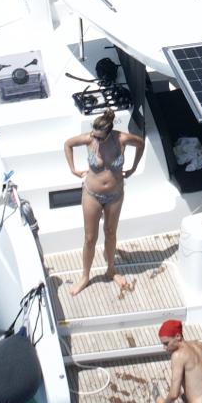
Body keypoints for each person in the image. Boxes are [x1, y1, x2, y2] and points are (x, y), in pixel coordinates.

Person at [64, 107, 147, 294]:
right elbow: (67, 144)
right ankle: (85, 276)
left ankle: (111, 270)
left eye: (100, 138)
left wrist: (133, 167)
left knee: (110, 233)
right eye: (95, 136)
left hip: (115, 195)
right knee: (89, 238)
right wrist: (73, 169)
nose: (97, 140)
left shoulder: (122, 139)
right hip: (92, 194)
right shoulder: (90, 139)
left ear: (109, 133)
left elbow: (141, 144)